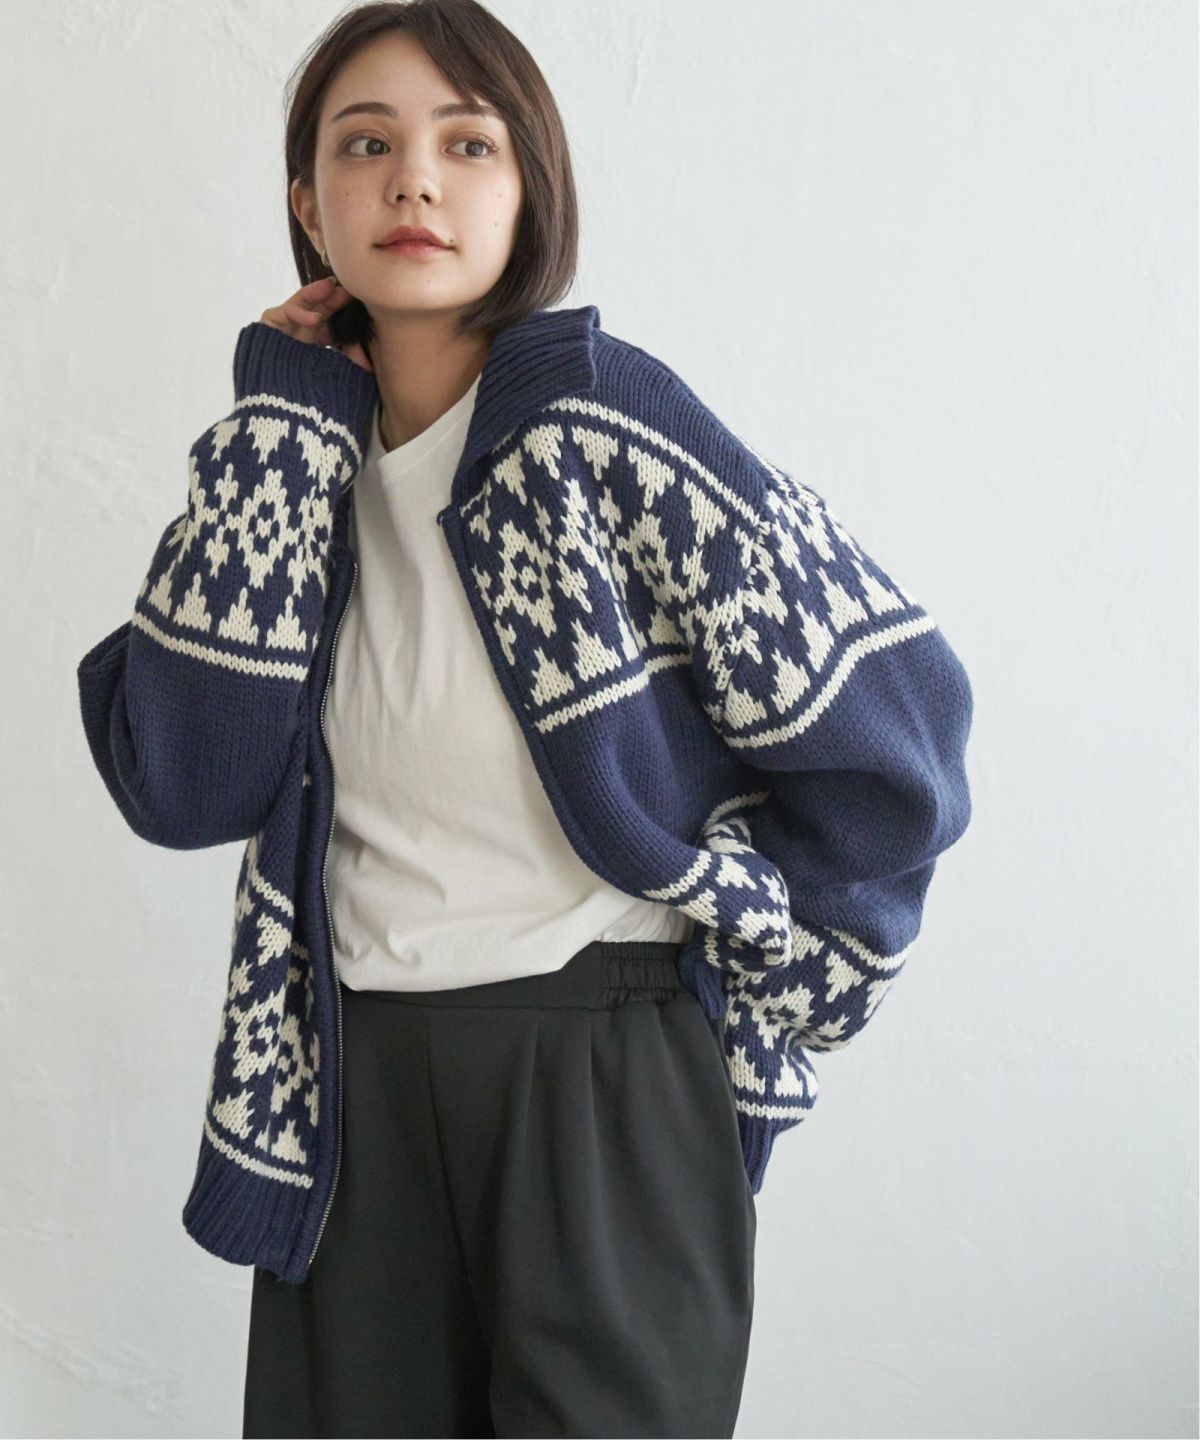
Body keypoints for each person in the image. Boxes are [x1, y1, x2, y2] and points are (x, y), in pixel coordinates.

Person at [74, 1, 974, 1436]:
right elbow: (185, 786)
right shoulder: (287, 469)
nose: (414, 181)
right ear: (308, 204)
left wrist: (774, 982)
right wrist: (276, 435)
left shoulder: (602, 419)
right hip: (349, 1089)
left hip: (602, 1075)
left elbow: (898, 728)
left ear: (529, 186)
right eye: (364, 145)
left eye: (467, 143)